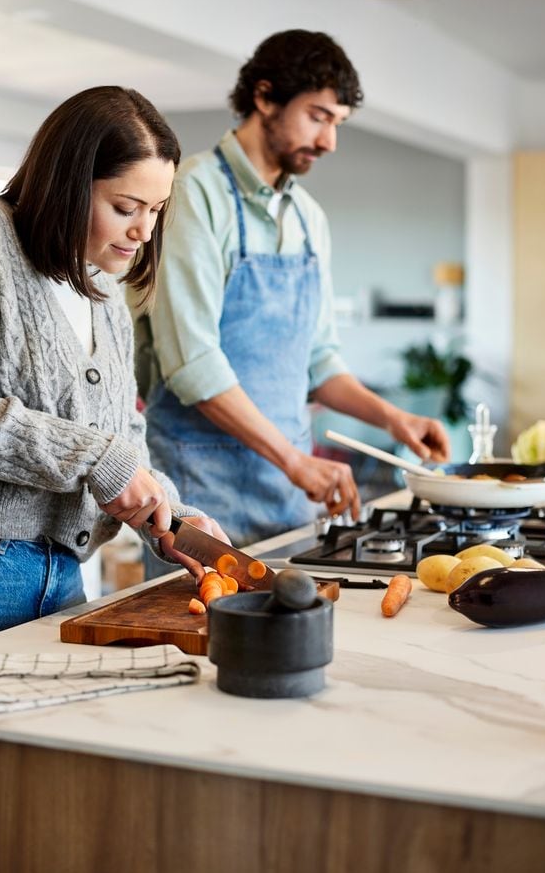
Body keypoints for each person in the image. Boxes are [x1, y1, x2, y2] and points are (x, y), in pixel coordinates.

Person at [0, 86, 228, 673]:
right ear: (68, 182)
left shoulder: (106, 290)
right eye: (125, 206)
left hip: (61, 579)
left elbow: (120, 436)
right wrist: (100, 462)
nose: (143, 230)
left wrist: (170, 511)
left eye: (156, 210)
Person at [131, 29, 450, 564]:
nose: (329, 142)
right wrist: (295, 462)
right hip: (200, 489)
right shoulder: (193, 193)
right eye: (319, 116)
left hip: (288, 491)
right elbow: (193, 365)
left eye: (337, 124)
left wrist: (395, 420)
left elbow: (319, 359)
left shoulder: (308, 219)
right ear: (264, 97)